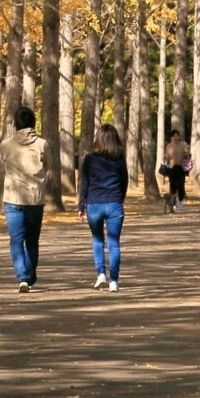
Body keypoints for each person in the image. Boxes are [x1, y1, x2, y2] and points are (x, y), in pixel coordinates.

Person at [0, 106, 49, 292]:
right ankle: (29, 274)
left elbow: (3, 164)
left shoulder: (5, 145)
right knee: (32, 240)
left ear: (15, 123)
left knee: (16, 240)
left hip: (12, 197)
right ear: (33, 122)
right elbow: (48, 166)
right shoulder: (43, 144)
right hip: (35, 198)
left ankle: (22, 276)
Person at [78, 124, 129, 293]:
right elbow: (124, 181)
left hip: (94, 204)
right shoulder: (119, 159)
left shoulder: (90, 159)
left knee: (98, 240)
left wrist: (81, 205)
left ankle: (101, 274)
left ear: (98, 139)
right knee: (114, 243)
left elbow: (84, 183)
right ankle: (114, 280)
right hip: (114, 203)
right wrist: (120, 198)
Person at [165, 129, 191, 211]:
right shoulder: (169, 146)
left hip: (181, 167)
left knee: (181, 185)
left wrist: (187, 152)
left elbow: (188, 155)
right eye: (174, 136)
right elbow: (167, 156)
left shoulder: (183, 144)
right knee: (172, 185)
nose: (176, 138)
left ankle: (180, 202)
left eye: (177, 136)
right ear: (171, 137)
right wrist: (165, 159)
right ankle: (172, 202)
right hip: (172, 168)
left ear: (179, 136)